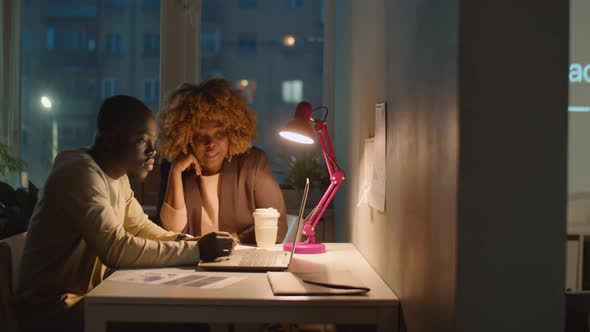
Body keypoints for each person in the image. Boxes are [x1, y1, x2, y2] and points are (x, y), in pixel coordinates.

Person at [14, 95, 234, 332]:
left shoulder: (115, 175)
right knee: (187, 326)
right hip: (53, 312)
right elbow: (116, 249)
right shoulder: (79, 173)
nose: (153, 151)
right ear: (109, 139)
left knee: (189, 320)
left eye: (154, 140)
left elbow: (139, 226)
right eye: (142, 140)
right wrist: (197, 250)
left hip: (90, 298)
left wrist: (186, 241)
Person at [157, 79, 287, 244]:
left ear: (232, 134)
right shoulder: (175, 168)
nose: (210, 144)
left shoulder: (253, 163)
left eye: (219, 134)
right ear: (186, 139)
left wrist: (232, 240)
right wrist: (175, 172)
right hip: (192, 263)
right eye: (200, 136)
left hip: (242, 261)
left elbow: (277, 226)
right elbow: (170, 233)